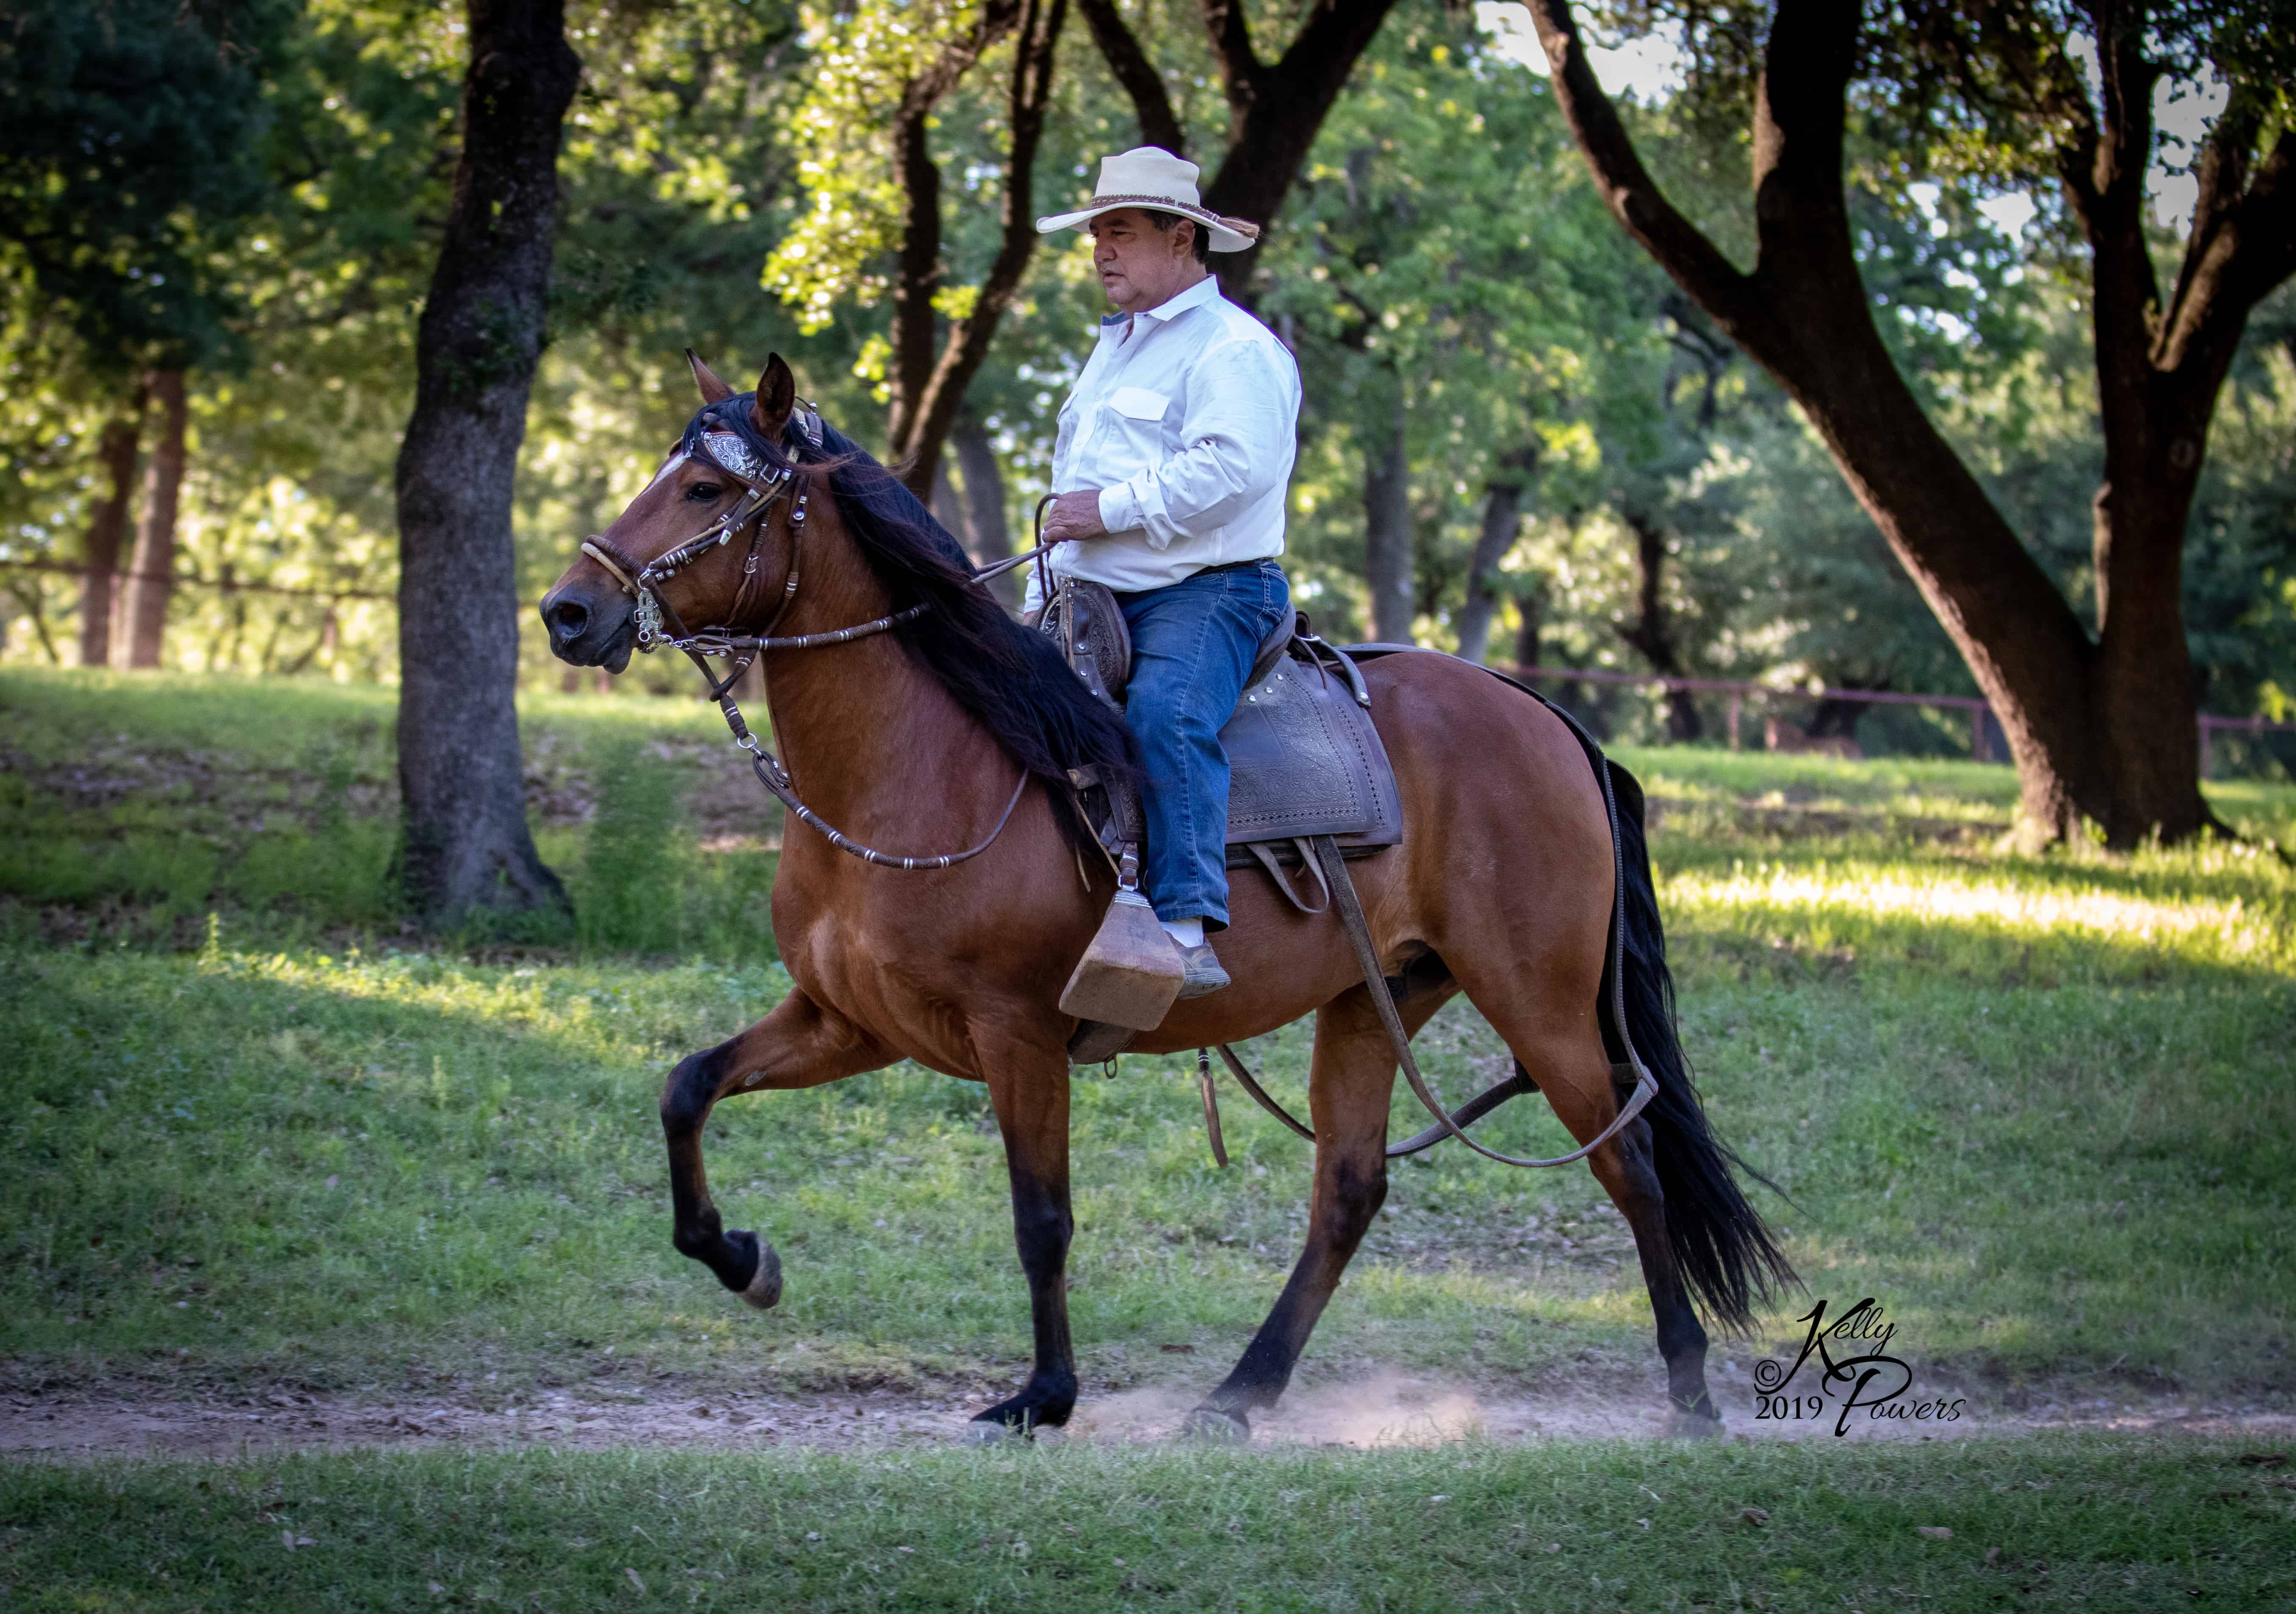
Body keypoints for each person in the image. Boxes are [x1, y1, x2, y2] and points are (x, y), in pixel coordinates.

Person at [1028, 147, 1302, 1000]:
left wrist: (1106, 510)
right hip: (1090, 594)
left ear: (1181, 238)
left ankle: (1183, 931)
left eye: (1119, 232)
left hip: (1208, 590)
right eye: (1094, 235)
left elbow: (1232, 470)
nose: (1100, 251)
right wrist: (1038, 598)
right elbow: (1070, 499)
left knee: (1165, 713)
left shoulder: (1233, 349)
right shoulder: (1114, 350)